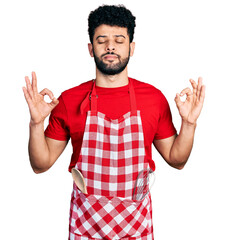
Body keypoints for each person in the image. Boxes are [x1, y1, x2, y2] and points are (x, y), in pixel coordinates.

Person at [23, 4, 205, 240]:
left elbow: (177, 160)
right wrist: (36, 124)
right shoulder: (69, 100)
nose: (110, 46)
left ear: (132, 47)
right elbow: (40, 164)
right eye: (102, 40)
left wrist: (188, 123)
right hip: (86, 230)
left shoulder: (154, 99)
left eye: (119, 40)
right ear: (91, 49)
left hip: (136, 229)